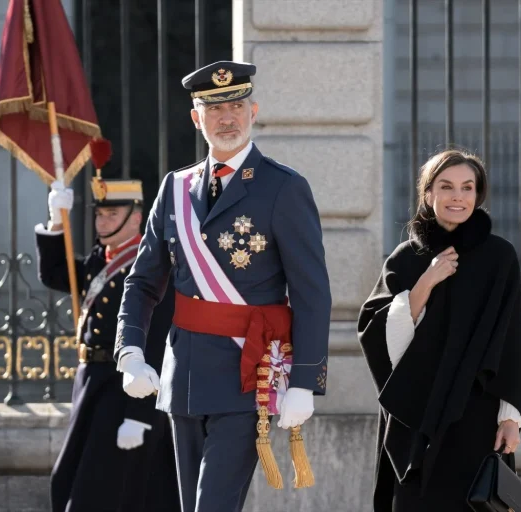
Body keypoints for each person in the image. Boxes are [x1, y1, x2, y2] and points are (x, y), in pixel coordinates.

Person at [112, 60, 331, 512]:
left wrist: (306, 381)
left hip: (248, 377)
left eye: (236, 105)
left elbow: (312, 292)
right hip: (184, 376)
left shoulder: (283, 187)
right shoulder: (174, 189)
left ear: (253, 111)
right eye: (214, 109)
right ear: (197, 118)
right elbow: (143, 281)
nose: (226, 118)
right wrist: (130, 351)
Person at [357, 149, 521, 511]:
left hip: (476, 414)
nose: (457, 197)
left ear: (478, 195)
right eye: (446, 187)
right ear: (428, 193)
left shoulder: (499, 257)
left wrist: (511, 417)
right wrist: (426, 282)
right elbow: (376, 332)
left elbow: (511, 338)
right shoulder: (406, 258)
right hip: (414, 412)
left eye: (467, 188)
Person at [35, 163, 180, 512]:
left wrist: (140, 415)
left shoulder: (148, 267)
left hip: (123, 392)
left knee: (98, 491)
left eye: (111, 213)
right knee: (74, 479)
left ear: (135, 218)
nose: (101, 222)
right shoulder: (103, 258)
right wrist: (57, 221)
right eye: (99, 214)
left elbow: (158, 342)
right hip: (91, 385)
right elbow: (57, 275)